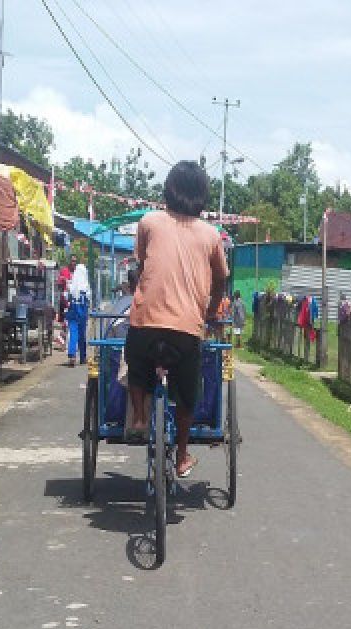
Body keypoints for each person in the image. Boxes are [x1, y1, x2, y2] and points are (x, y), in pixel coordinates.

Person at [124, 161, 228, 478]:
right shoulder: (212, 235)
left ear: (168, 190)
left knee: (135, 361)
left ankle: (140, 417)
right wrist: (210, 312)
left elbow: (142, 266)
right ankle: (182, 455)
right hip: (187, 330)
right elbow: (221, 278)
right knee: (186, 391)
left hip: (145, 324)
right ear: (202, 196)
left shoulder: (148, 221)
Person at [65, 260, 91, 367]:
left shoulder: (72, 284)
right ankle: (83, 357)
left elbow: (67, 296)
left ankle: (72, 355)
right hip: (82, 310)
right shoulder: (86, 287)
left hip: (72, 310)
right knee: (82, 334)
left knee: (73, 332)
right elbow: (89, 300)